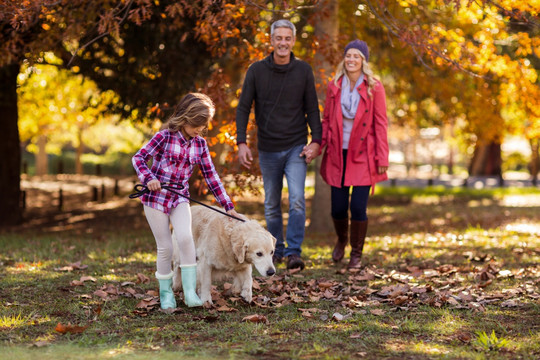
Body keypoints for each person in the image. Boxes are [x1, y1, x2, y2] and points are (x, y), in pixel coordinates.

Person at [132, 93, 241, 309]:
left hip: (179, 198)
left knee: (186, 238)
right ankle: (166, 294)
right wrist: (149, 178)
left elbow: (211, 177)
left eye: (203, 124)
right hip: (155, 199)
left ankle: (190, 292)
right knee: (165, 247)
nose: (199, 129)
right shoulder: (163, 137)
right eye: (196, 124)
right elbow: (138, 158)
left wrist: (228, 206)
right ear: (184, 117)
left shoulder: (200, 145)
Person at [235, 19, 322, 271]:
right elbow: (243, 108)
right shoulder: (256, 70)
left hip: (296, 146)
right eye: (278, 38)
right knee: (272, 204)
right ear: (271, 40)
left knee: (296, 200)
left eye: (287, 38)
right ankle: (276, 251)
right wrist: (241, 142)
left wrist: (316, 141)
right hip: (268, 148)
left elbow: (312, 109)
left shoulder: (303, 70)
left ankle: (294, 253)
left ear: (293, 41)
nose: (283, 42)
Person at [319, 39, 389, 269]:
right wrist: (318, 146)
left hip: (364, 156)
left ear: (363, 61)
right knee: (337, 207)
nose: (351, 59)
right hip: (338, 153)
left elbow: (380, 124)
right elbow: (328, 120)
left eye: (356, 56)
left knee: (358, 207)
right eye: (348, 55)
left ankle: (356, 254)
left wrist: (382, 157)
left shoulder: (374, 87)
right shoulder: (334, 86)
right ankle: (342, 239)